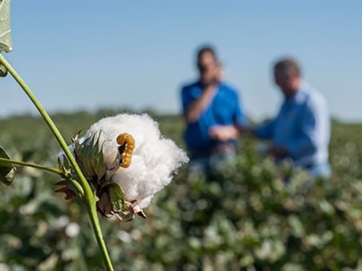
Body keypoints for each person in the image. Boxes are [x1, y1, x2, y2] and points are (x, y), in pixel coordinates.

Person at [251, 58, 331, 178]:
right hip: (291, 172)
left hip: (311, 172)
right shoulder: (287, 103)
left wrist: (281, 149)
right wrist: (250, 131)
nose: (276, 84)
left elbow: (314, 140)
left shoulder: (312, 102)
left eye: (278, 80)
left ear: (290, 77)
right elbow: (275, 128)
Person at [180, 45, 247, 177]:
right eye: (200, 67)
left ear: (216, 64)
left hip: (225, 154)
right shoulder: (188, 90)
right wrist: (212, 86)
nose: (203, 71)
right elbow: (191, 116)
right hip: (198, 156)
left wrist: (227, 132)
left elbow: (241, 126)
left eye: (206, 67)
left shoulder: (231, 93)